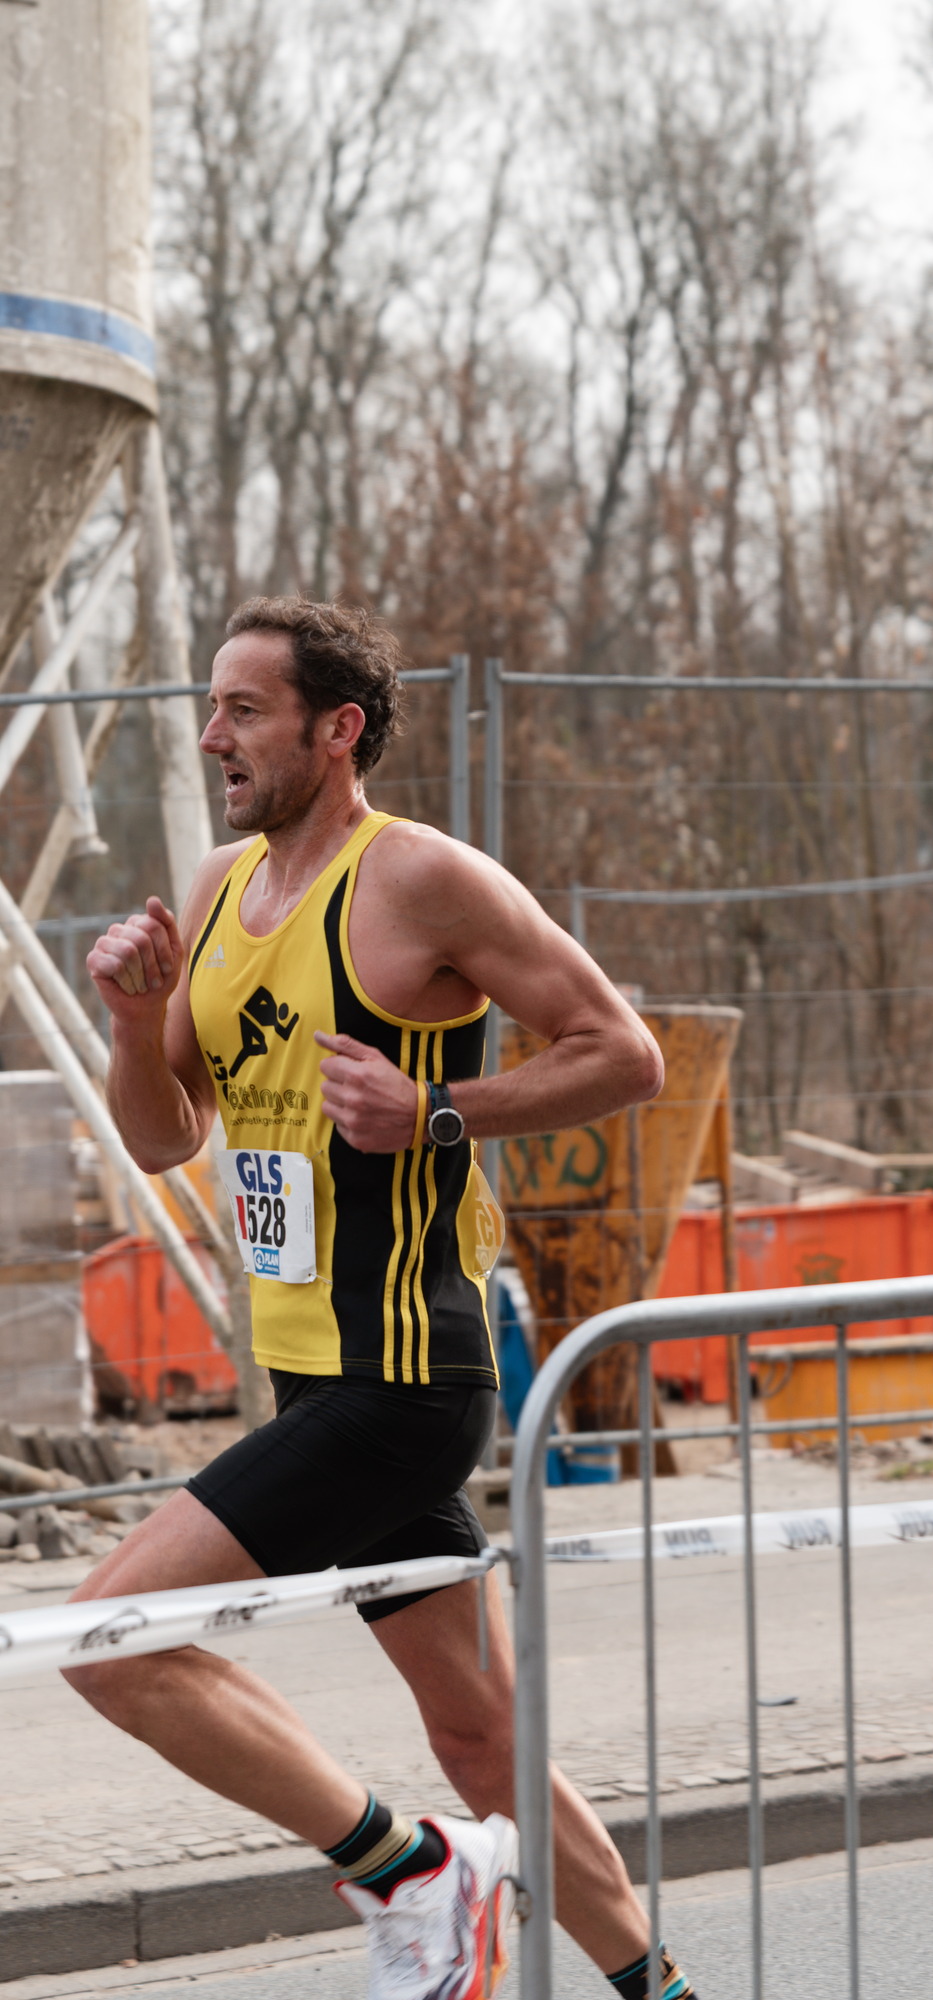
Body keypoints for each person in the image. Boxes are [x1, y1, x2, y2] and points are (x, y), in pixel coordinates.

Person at [71, 597, 698, 2000]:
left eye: (244, 710)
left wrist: (438, 1112)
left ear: (336, 728)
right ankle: (663, 1991)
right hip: (312, 1373)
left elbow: (624, 1053)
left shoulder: (421, 879)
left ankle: (409, 1868)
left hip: (404, 1381)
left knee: (109, 1640)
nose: (213, 736)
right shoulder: (222, 890)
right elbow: (167, 1137)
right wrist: (133, 1020)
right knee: (486, 1743)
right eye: (212, 706)